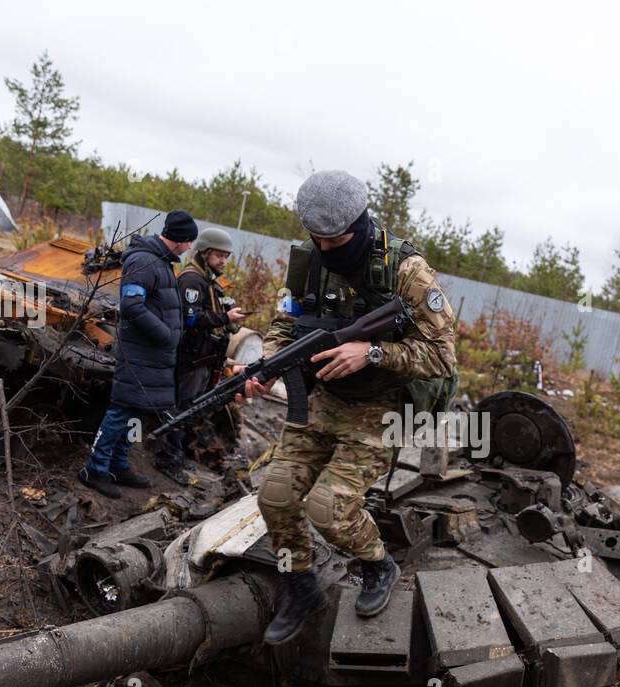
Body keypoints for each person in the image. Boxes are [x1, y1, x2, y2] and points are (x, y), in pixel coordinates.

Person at [234, 169, 457, 645]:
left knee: (328, 509)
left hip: (381, 409)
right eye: (316, 237)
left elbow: (442, 356)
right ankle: (300, 585)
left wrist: (372, 352)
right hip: (319, 399)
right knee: (274, 496)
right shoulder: (308, 262)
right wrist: (266, 365)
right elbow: (285, 323)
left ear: (359, 225)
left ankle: (378, 564)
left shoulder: (407, 272)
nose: (324, 247)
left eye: (333, 239)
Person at [78, 210, 197, 498]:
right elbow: (131, 305)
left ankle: (119, 464)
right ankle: (94, 468)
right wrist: (166, 335)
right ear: (181, 239)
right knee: (121, 411)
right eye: (190, 240)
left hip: (155, 356)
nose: (191, 246)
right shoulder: (144, 260)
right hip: (141, 352)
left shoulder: (162, 262)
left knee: (138, 412)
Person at [159, 227, 248, 481]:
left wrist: (228, 320)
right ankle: (167, 459)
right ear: (205, 253)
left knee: (192, 410)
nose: (223, 261)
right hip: (190, 358)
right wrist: (224, 317)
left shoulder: (208, 280)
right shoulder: (192, 280)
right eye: (219, 255)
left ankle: (180, 455)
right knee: (180, 409)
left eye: (226, 257)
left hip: (204, 360)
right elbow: (190, 319)